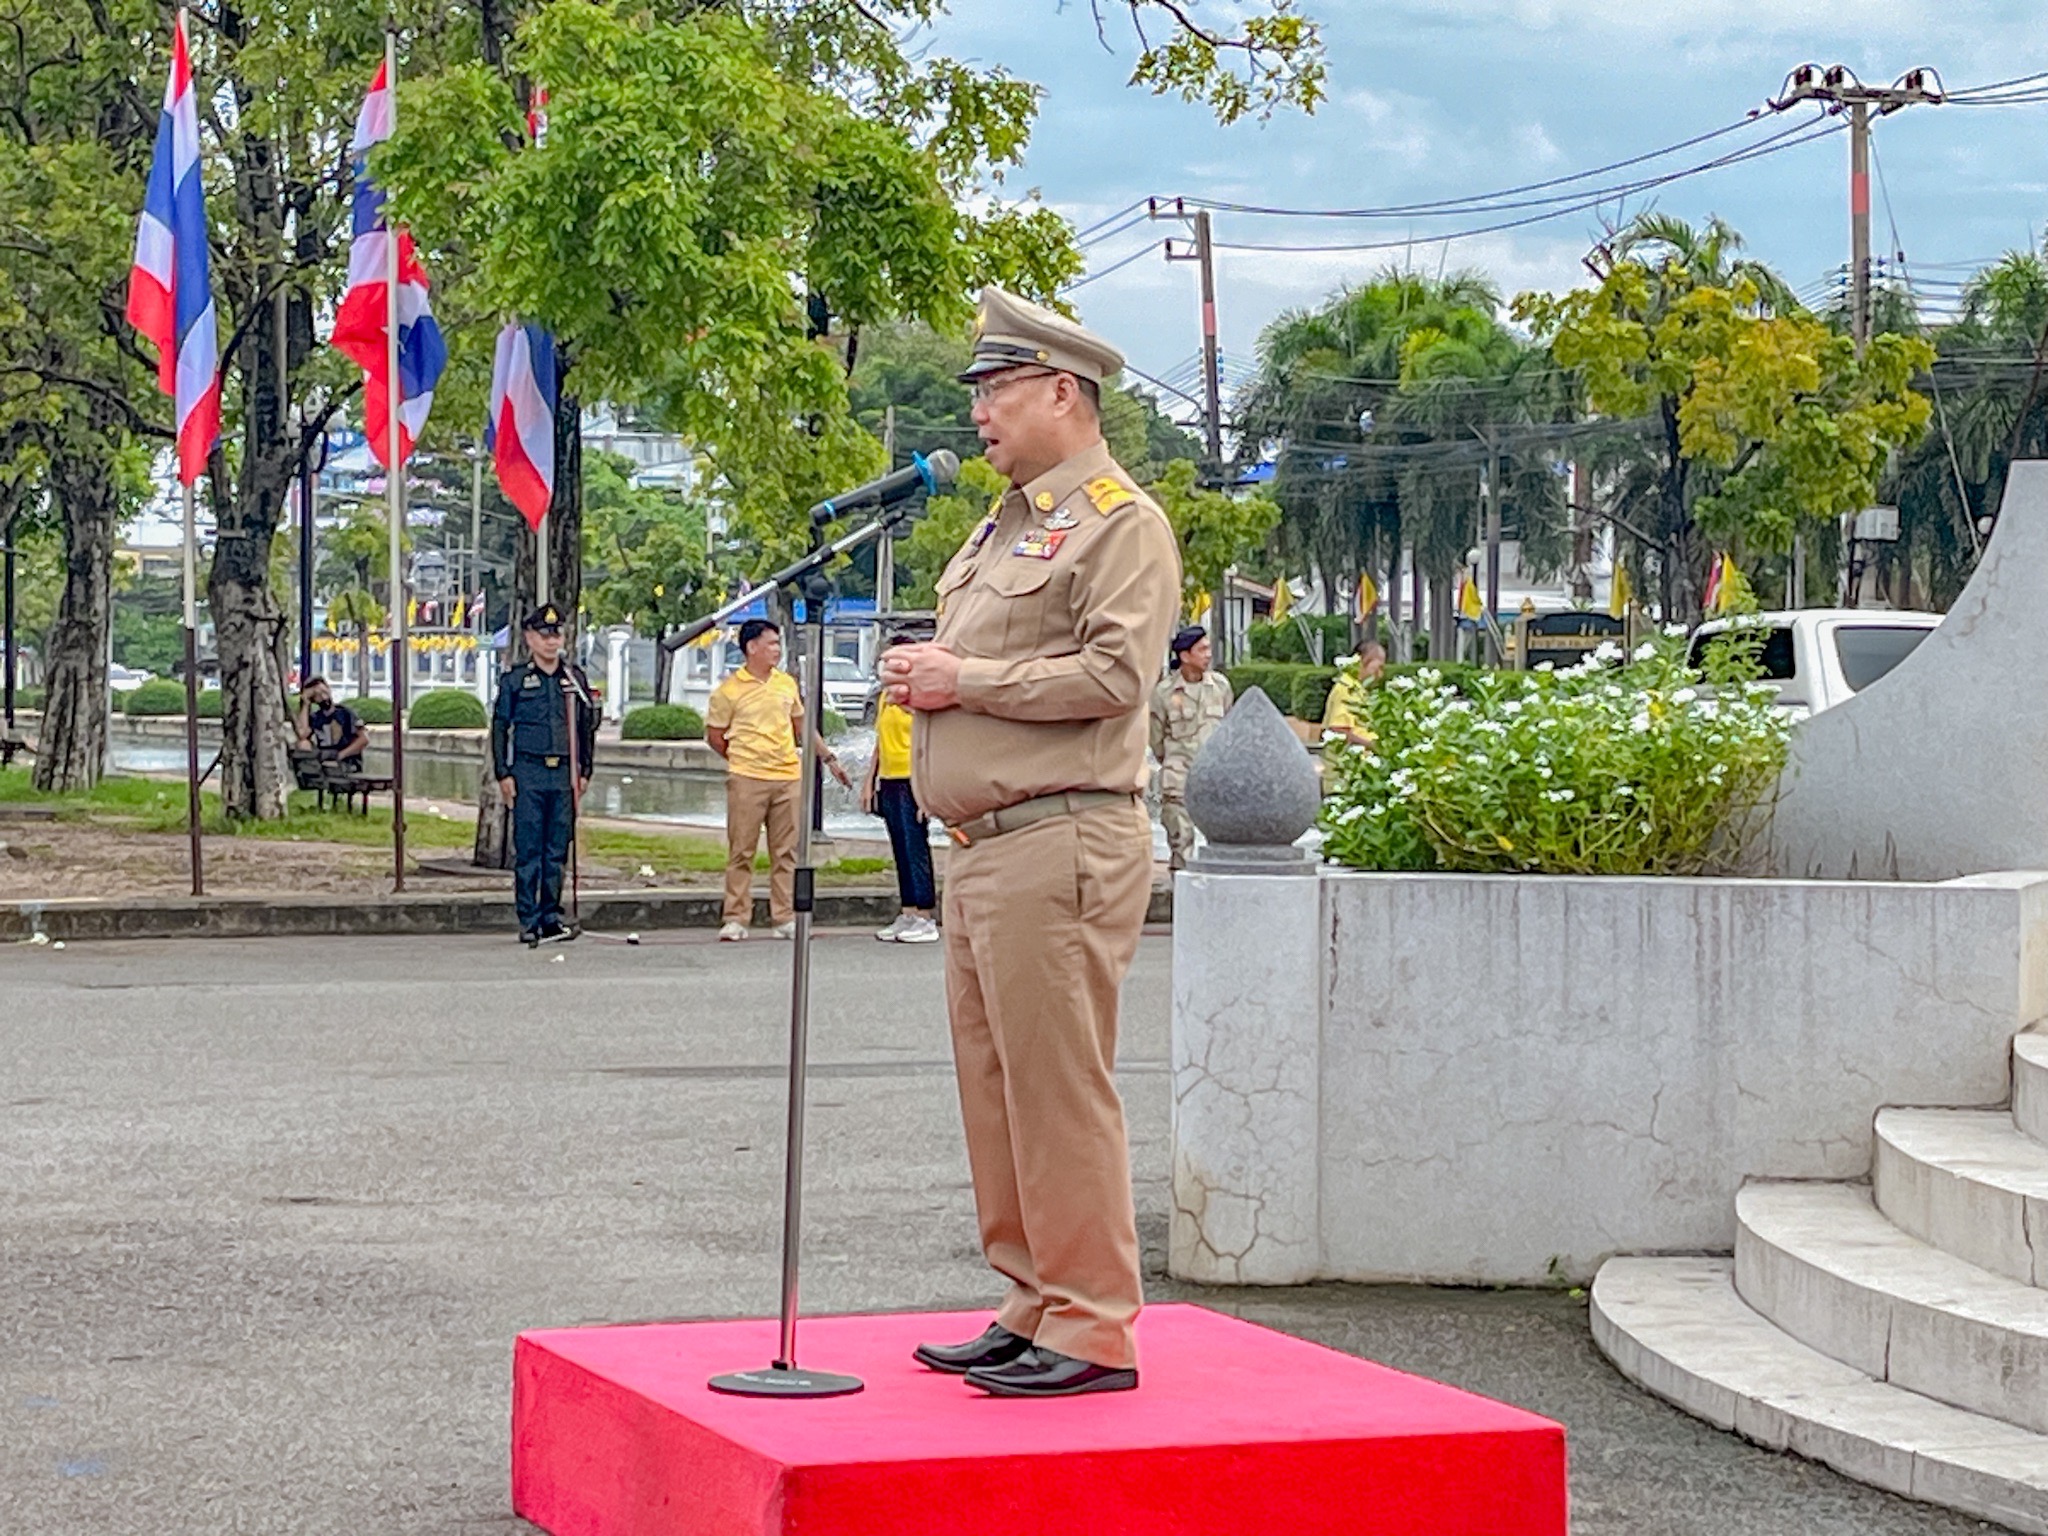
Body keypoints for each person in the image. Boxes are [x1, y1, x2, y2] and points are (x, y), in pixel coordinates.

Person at [883, 285, 1179, 1399]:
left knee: (1058, 1087)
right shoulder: (1001, 525)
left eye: (996, 389)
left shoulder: (1120, 523)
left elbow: (1115, 675)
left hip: (1062, 836)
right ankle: (1032, 1298)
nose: (978, 413)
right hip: (983, 845)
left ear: (1062, 392)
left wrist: (963, 679)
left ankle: (1094, 1323)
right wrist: (933, 679)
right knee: (996, 1086)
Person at [705, 618, 851, 942]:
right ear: (751, 647)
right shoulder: (729, 691)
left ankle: (783, 917)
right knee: (741, 850)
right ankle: (736, 917)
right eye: (770, 643)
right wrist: (740, 759)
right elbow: (715, 736)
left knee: (786, 852)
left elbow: (803, 726)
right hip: (747, 777)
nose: (776, 650)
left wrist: (828, 758)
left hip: (787, 777)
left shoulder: (786, 684)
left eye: (777, 643)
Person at [491, 603, 597, 947]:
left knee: (556, 848)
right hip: (529, 771)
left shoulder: (573, 679)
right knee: (529, 849)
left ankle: (551, 916)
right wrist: (503, 773)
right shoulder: (516, 680)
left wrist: (585, 770)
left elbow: (586, 727)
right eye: (544, 635)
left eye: (556, 634)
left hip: (564, 773)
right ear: (530, 638)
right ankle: (529, 919)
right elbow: (500, 728)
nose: (552, 641)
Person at [861, 636, 938, 943]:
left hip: (912, 778)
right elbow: (880, 742)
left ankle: (925, 916)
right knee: (900, 846)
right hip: (890, 778)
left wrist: (927, 786)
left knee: (915, 845)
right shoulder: (886, 696)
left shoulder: (918, 697)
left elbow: (930, 740)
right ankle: (908, 912)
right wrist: (870, 781)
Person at [1148, 625, 1233, 871]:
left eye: (1208, 648)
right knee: (1180, 838)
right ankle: (1181, 885)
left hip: (1214, 774)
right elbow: (1156, 737)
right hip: (1179, 774)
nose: (1208, 654)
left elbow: (1228, 725)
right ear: (1185, 655)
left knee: (1220, 837)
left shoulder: (1220, 687)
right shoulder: (1164, 693)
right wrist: (1173, 761)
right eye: (1202, 649)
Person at [1322, 640, 1387, 748]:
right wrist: (1373, 746)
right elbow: (1339, 731)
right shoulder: (1346, 689)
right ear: (1363, 661)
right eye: (1378, 668)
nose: (1380, 675)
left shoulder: (1359, 689)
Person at [295, 676, 369, 770]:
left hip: (346, 760)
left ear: (328, 689)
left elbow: (364, 739)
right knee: (303, 744)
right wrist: (305, 703)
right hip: (324, 758)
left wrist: (341, 755)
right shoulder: (315, 717)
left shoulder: (345, 713)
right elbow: (302, 734)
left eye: (324, 692)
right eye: (317, 695)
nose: (323, 697)